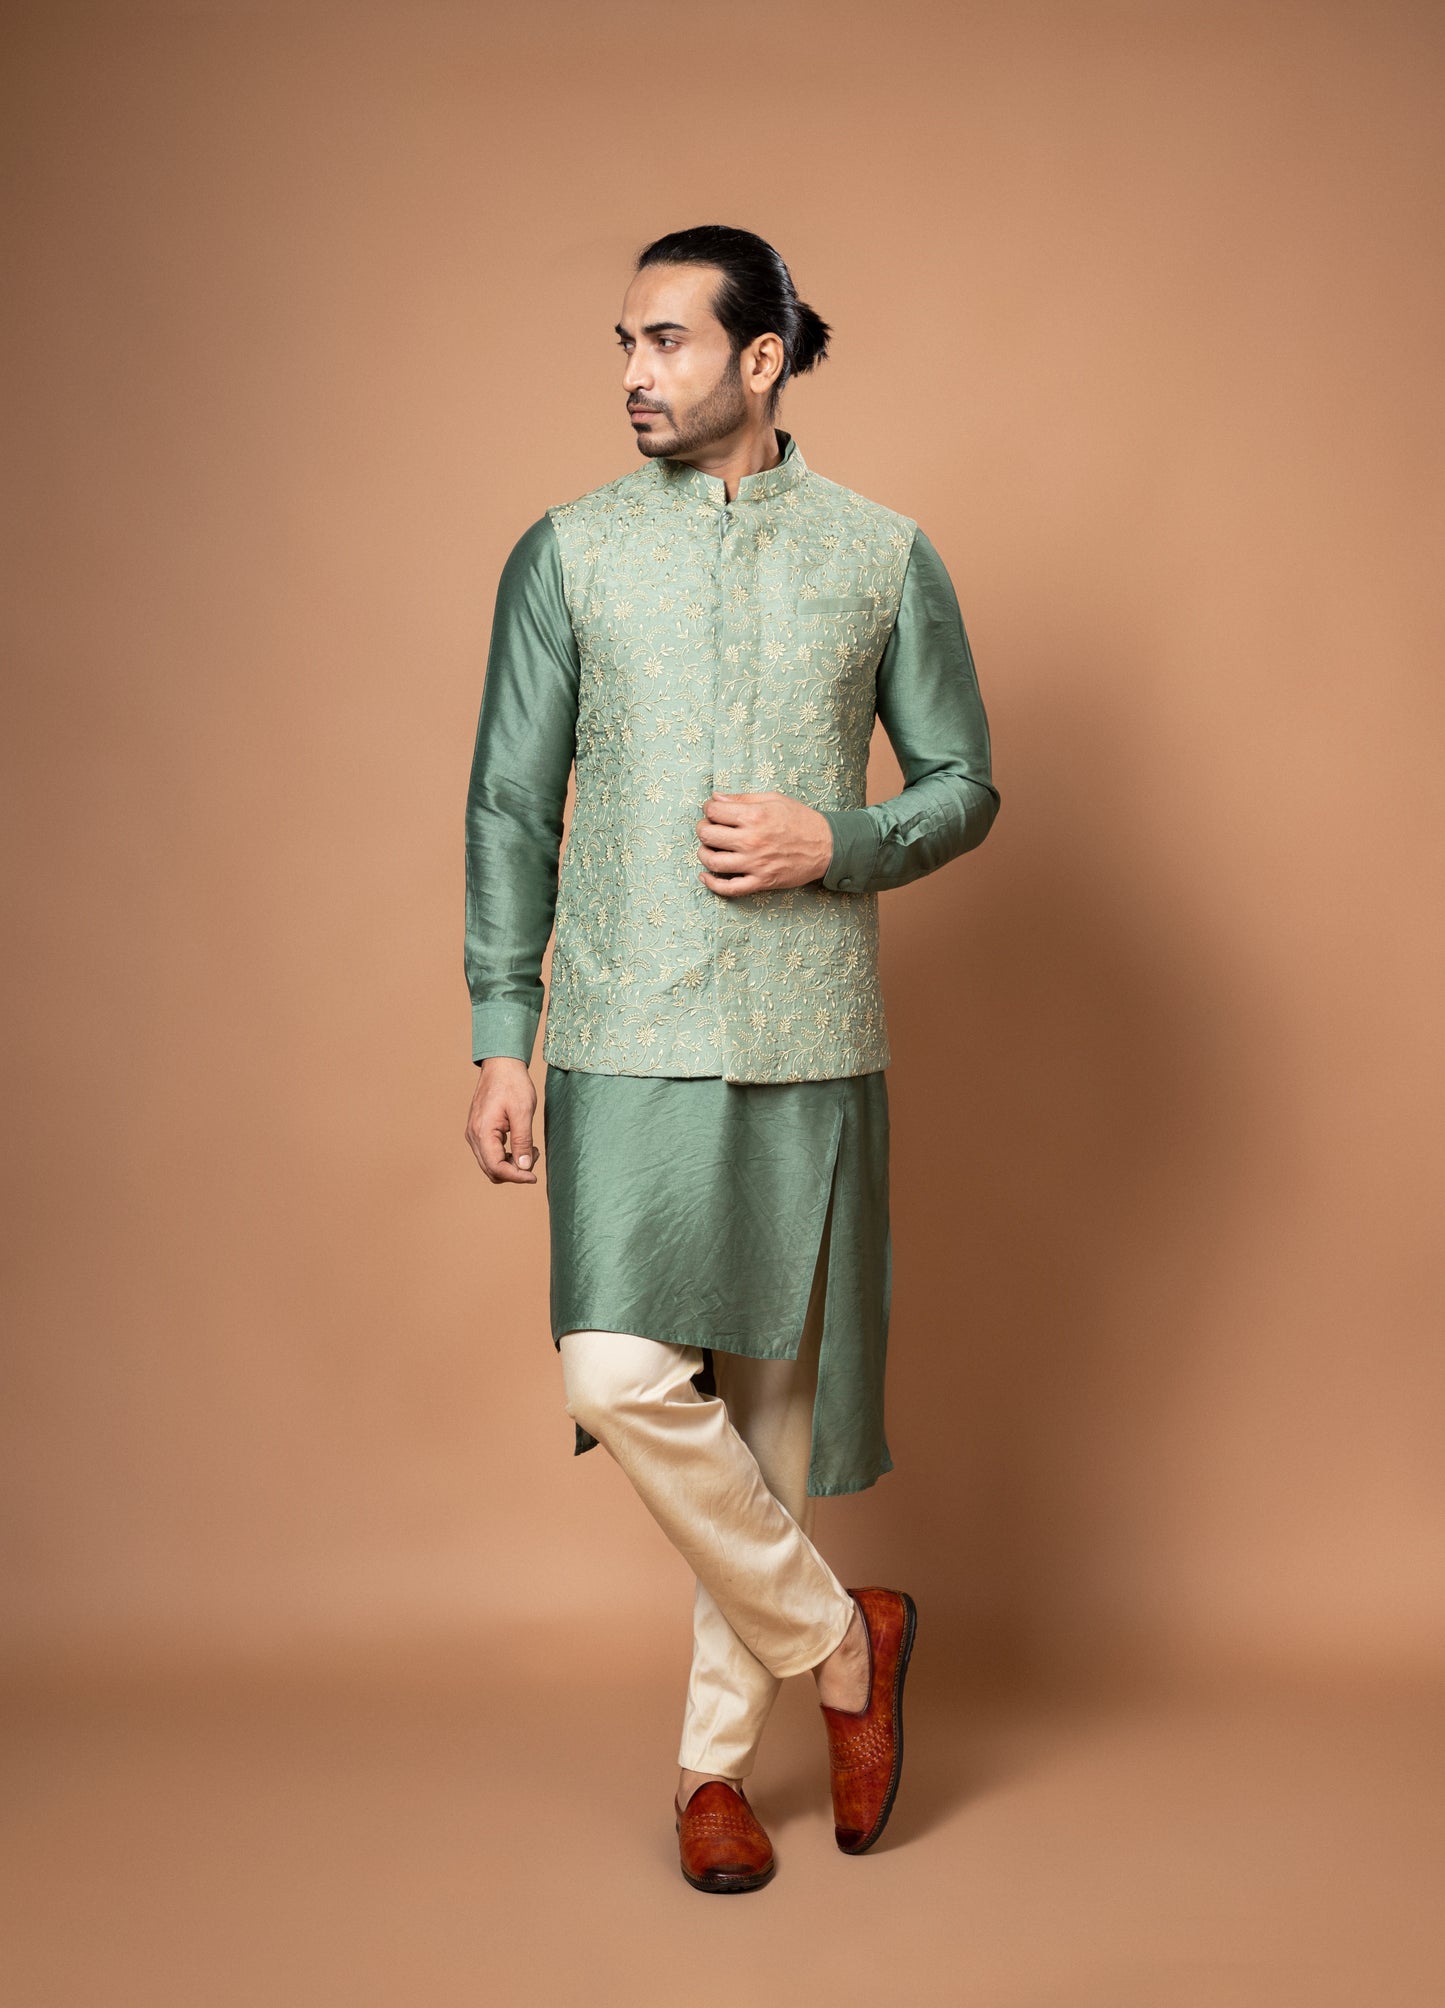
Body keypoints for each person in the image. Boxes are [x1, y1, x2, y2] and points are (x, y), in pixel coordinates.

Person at [463, 223, 998, 1893]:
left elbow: (963, 781)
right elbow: (509, 805)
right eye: (624, 343)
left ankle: (712, 1773)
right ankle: (844, 1640)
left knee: (761, 1420)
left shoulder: (880, 552)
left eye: (668, 341)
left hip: (806, 1029)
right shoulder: (566, 553)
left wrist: (839, 839)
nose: (636, 373)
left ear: (760, 359)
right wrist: (502, 1032)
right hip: (622, 1022)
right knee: (618, 1375)